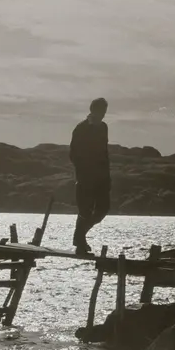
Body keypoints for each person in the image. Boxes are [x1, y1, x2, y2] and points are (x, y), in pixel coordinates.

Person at [69, 97, 111, 255]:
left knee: (103, 209)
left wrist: (107, 175)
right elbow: (73, 154)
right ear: (93, 110)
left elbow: (104, 153)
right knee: (85, 211)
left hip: (102, 177)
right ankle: (80, 242)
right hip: (86, 177)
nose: (103, 114)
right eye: (101, 111)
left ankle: (79, 236)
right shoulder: (81, 128)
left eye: (105, 111)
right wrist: (83, 172)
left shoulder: (104, 127)